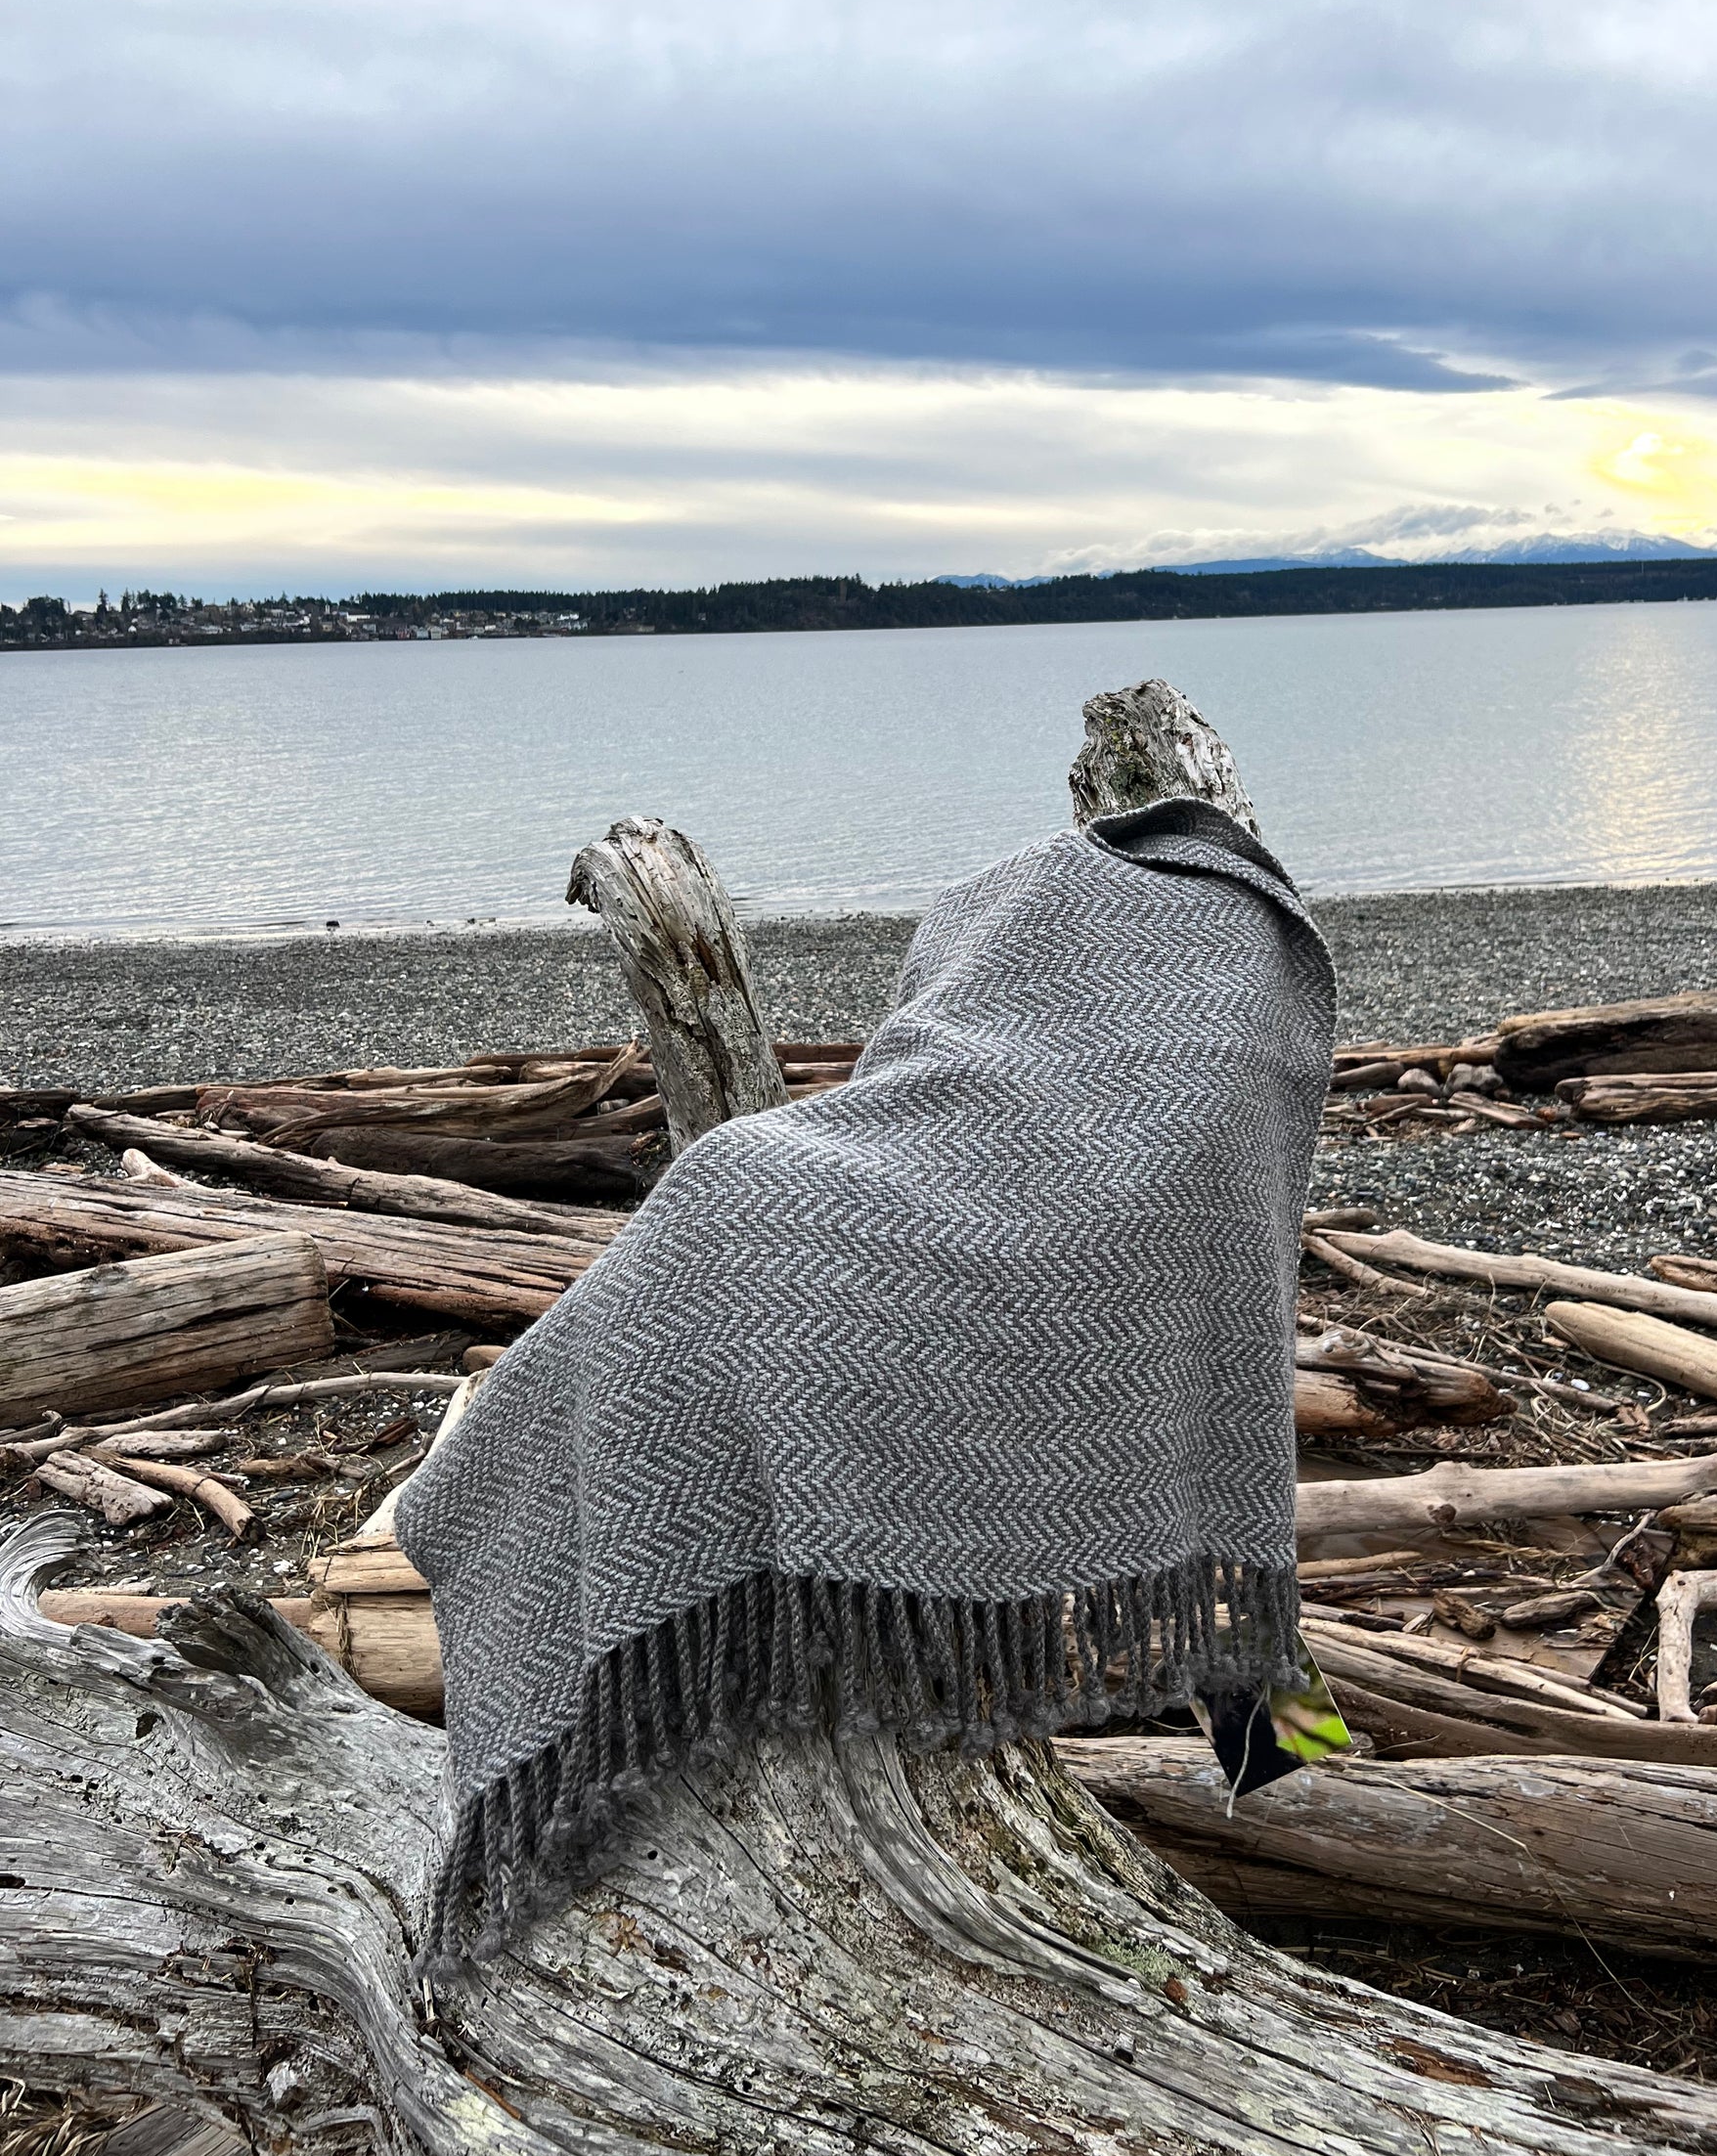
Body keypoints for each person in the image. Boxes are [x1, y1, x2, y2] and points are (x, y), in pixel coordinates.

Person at [399, 795, 1337, 1971]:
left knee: (736, 1206)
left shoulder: (1219, 986)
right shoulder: (1021, 909)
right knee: (724, 1205)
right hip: (798, 1201)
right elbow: (940, 1053)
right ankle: (503, 1522)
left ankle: (1288, 1760)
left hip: (961, 1214)